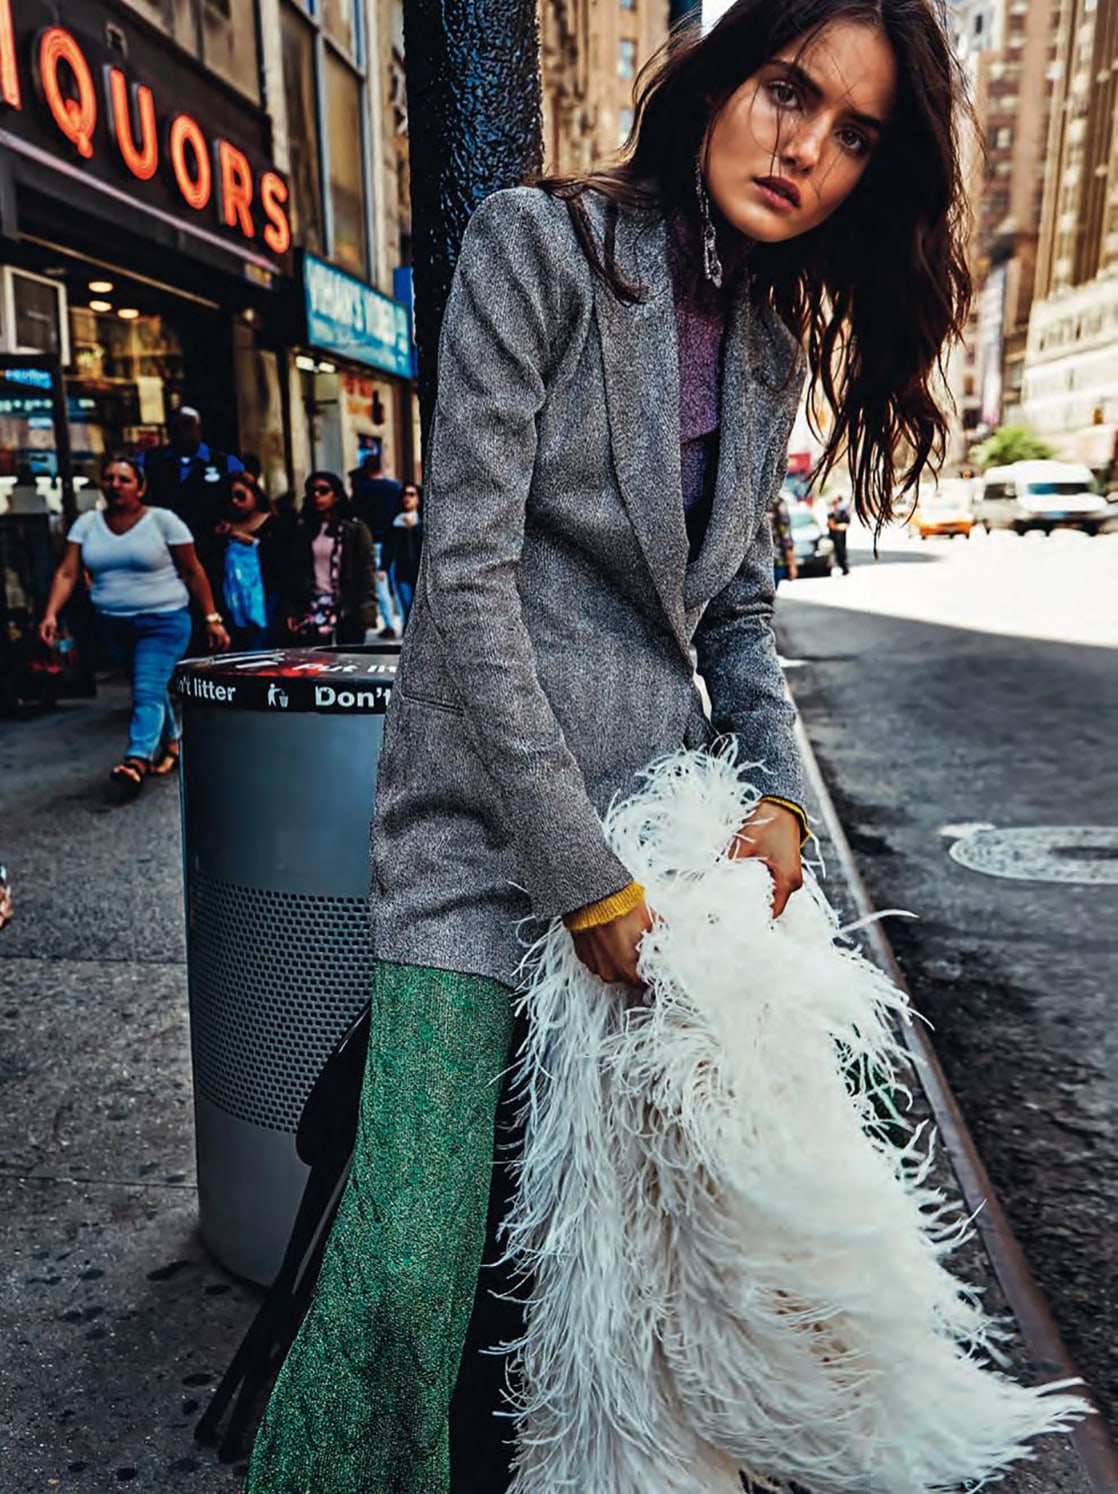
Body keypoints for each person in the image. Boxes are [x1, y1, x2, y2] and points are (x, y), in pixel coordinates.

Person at [246, 1, 971, 1489]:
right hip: (477, 838)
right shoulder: (543, 244)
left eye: (853, 137)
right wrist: (579, 880)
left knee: (799, 1203)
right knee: (401, 1269)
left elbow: (737, 619)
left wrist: (774, 803)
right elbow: (461, 575)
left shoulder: (767, 333)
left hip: (672, 831)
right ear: (721, 76)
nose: (805, 151)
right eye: (788, 92)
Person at [39, 455, 229, 793]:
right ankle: (173, 743)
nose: (115, 485)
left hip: (164, 621)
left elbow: (193, 571)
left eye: (124, 479)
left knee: (146, 689)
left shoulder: (163, 521)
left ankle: (136, 759)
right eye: (109, 478)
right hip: (113, 624)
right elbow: (68, 572)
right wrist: (51, 613)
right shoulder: (86, 525)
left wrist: (212, 618)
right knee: (151, 689)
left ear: (140, 487)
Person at [283, 471, 377, 647]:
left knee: (348, 661)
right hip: (312, 607)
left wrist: (367, 609)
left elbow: (365, 571)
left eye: (323, 490)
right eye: (312, 491)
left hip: (346, 607)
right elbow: (294, 573)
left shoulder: (354, 530)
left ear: (336, 495)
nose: (317, 495)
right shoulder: (303, 531)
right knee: (316, 664)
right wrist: (292, 610)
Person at [141, 405, 244, 546]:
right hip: (162, 545)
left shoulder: (226, 463)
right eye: (175, 427)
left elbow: (249, 502)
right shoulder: (148, 461)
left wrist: (234, 526)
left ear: (199, 429)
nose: (182, 432)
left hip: (213, 546)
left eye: (187, 425)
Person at [214, 472, 290, 651]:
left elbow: (283, 564)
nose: (235, 501)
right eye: (230, 497)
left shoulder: (274, 524)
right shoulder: (222, 529)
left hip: (267, 600)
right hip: (232, 603)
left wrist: (251, 543)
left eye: (240, 496)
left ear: (254, 494)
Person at [350, 448, 402, 637]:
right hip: (394, 540)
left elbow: (354, 514)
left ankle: (389, 624)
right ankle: (404, 623)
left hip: (372, 541)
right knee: (397, 584)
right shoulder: (395, 488)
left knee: (381, 585)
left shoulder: (362, 490)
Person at [385, 481, 423, 625]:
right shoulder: (395, 522)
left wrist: (415, 528)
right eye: (404, 495)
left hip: (420, 572)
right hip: (402, 572)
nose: (407, 498)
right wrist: (383, 567)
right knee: (408, 608)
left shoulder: (423, 522)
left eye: (411, 495)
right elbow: (389, 548)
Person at [827, 491, 852, 573]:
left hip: (841, 535)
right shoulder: (832, 512)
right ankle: (842, 566)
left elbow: (846, 522)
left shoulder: (842, 511)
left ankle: (844, 567)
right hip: (835, 535)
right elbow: (830, 524)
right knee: (837, 552)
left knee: (842, 551)